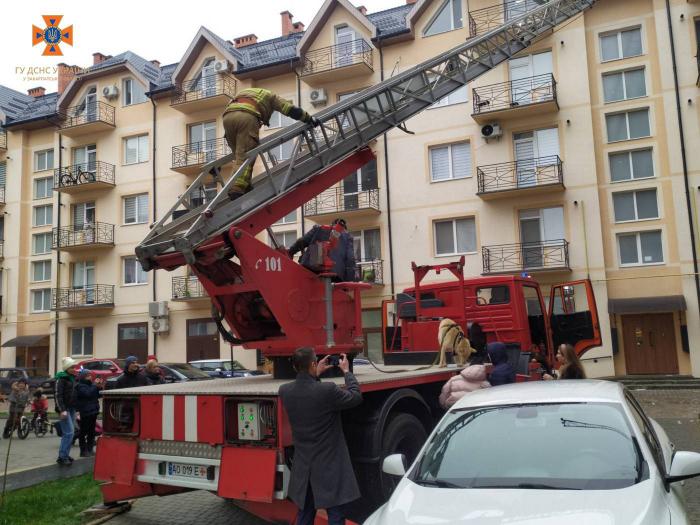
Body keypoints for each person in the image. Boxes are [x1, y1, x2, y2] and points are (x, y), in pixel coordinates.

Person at [279, 348, 362, 525]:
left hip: (304, 471)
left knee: (305, 515)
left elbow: (307, 390)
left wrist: (313, 374)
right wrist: (347, 372)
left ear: (294, 367)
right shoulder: (327, 391)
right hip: (329, 470)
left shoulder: (285, 392)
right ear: (313, 364)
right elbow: (355, 397)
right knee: (336, 515)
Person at [222, 88, 321, 200]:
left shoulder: (245, 92)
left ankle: (245, 185)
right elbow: (289, 109)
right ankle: (237, 190)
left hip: (227, 117)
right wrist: (308, 118)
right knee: (246, 155)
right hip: (247, 116)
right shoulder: (270, 96)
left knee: (238, 156)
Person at [288, 219, 356, 282]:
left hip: (311, 269)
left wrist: (291, 252)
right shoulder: (347, 237)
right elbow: (350, 259)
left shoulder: (319, 228)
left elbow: (302, 241)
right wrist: (348, 280)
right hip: (337, 277)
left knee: (317, 250)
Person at [55, 357, 78, 465]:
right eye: (72, 367)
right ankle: (62, 457)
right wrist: (62, 410)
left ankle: (65, 455)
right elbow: (57, 395)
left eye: (74, 367)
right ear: (67, 368)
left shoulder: (72, 378)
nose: (74, 369)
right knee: (69, 432)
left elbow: (74, 395)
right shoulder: (61, 379)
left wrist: (76, 410)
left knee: (70, 432)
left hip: (72, 408)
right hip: (64, 409)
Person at [75, 370, 102, 457]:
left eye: (90, 375)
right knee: (84, 431)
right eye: (87, 376)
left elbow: (99, 395)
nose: (90, 377)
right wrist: (95, 386)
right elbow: (88, 394)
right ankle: (83, 450)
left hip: (93, 410)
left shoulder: (91, 385)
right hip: (85, 411)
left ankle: (90, 448)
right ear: (83, 377)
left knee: (91, 431)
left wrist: (99, 387)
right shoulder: (80, 386)